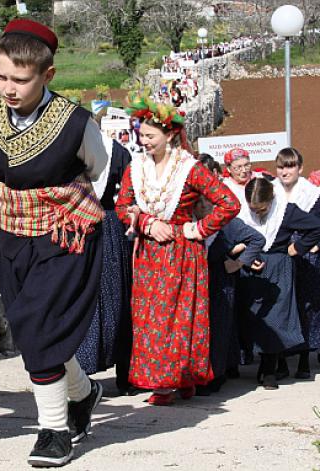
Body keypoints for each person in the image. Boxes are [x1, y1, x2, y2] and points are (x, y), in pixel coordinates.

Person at [0, 19, 107, 467]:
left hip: (64, 235)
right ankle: (83, 394)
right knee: (35, 332)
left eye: (21, 80)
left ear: (47, 75)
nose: (9, 88)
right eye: (1, 77)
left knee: (38, 324)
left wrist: (67, 209)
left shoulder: (75, 122)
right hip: (12, 234)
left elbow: (99, 171)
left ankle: (54, 430)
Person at [115, 93, 240, 405]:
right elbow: (123, 206)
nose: (143, 141)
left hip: (181, 253)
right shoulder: (137, 168)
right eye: (140, 135)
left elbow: (229, 204)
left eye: (149, 136)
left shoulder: (190, 169)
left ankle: (173, 381)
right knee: (150, 317)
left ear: (169, 135)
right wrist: (144, 223)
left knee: (177, 317)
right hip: (148, 255)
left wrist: (196, 229)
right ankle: (171, 380)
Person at [238, 178, 320, 389]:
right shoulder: (241, 212)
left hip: (278, 266)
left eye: (262, 209)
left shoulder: (287, 211)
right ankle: (262, 363)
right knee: (254, 316)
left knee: (275, 318)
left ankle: (269, 369)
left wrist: (298, 247)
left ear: (271, 200)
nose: (258, 214)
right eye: (254, 209)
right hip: (250, 265)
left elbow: (318, 228)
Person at [273, 147, 320, 379]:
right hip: (280, 256)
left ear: (300, 168)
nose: (285, 172)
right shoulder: (271, 192)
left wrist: (319, 245)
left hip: (306, 257)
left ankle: (304, 359)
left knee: (306, 307)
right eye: (281, 167)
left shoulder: (314, 195)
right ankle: (281, 360)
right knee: (281, 306)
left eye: (290, 166)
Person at [197, 155, 266, 393]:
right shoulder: (189, 220)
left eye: (206, 200)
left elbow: (257, 239)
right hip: (198, 280)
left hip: (221, 280)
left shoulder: (225, 220)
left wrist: (239, 264)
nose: (202, 204)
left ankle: (216, 376)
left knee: (219, 327)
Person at [77, 112, 134, 396]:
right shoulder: (75, 150)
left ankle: (122, 371)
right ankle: (84, 372)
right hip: (87, 228)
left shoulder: (117, 152)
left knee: (115, 296)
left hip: (106, 228)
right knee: (88, 297)